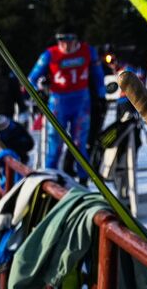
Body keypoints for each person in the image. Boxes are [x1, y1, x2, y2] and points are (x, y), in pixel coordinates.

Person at [27, 28, 105, 178]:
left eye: (70, 42)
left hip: (81, 102)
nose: (66, 46)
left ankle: (84, 178)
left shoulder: (88, 51)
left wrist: (102, 96)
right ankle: (51, 177)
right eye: (62, 42)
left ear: (76, 40)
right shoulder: (50, 54)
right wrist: (39, 93)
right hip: (58, 102)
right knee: (55, 145)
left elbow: (98, 74)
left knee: (79, 144)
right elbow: (31, 79)